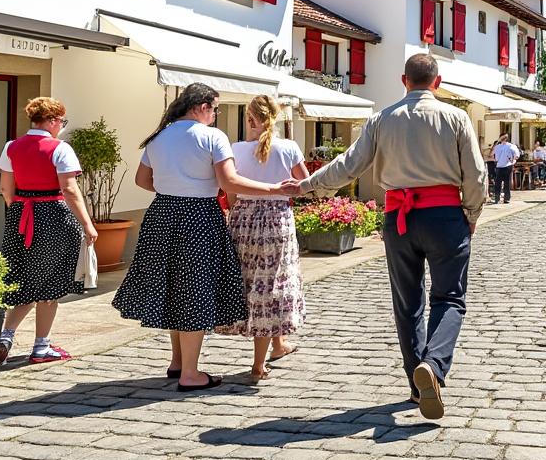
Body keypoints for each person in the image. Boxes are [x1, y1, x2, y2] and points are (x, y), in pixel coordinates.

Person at [283, 54, 486, 420]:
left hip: (398, 218)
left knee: (408, 304)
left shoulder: (381, 119)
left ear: (402, 80)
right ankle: (435, 367)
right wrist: (471, 213)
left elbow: (349, 165)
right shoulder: (456, 117)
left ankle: (416, 384)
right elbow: (475, 173)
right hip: (444, 216)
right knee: (449, 298)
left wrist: (307, 185)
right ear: (437, 82)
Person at [112, 83, 286, 392]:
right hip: (199, 216)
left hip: (161, 214)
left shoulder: (159, 136)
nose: (216, 115)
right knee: (194, 290)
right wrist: (274, 189)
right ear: (202, 107)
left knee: (174, 286)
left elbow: (142, 180)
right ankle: (190, 373)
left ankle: (178, 361)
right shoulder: (212, 137)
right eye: (215, 109)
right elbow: (229, 182)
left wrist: (174, 188)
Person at [0, 97, 98, 365]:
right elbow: (70, 189)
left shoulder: (11, 147)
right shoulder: (60, 148)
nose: (61, 126)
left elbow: (6, 189)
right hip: (53, 215)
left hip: (20, 215)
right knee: (49, 283)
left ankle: (5, 336)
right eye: (61, 121)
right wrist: (87, 224)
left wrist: (21, 210)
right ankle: (41, 347)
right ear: (52, 121)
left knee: (24, 277)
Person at [218, 95, 309, 383]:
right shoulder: (289, 148)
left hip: (244, 219)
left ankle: (278, 345)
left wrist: (237, 209)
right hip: (277, 219)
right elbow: (304, 185)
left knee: (253, 282)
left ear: (250, 120)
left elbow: (230, 191)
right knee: (271, 284)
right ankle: (258, 366)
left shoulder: (236, 149)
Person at [489, 133, 519, 204]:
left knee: (506, 183)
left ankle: (506, 198)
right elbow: (491, 154)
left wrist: (513, 160)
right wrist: (496, 143)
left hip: (508, 166)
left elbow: (517, 155)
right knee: (498, 183)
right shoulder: (497, 146)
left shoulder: (511, 146)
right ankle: (497, 198)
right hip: (499, 166)